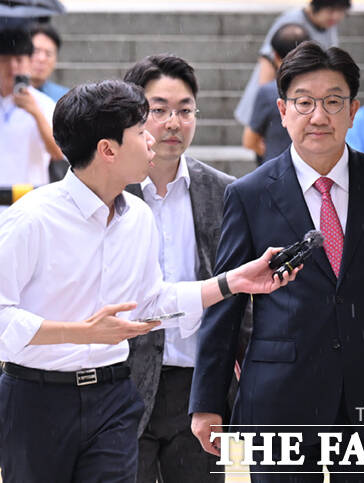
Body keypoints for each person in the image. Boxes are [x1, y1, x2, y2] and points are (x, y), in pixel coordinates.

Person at [0, 79, 297, 482]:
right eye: (141, 132)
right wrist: (82, 333)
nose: (152, 139)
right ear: (108, 150)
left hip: (113, 397)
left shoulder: (137, 217)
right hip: (36, 399)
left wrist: (233, 282)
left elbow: (151, 301)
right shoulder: (31, 218)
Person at [190, 42, 364, 481]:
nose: (318, 116)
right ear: (282, 111)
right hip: (279, 401)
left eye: (333, 102)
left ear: (353, 111)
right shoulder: (249, 194)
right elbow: (227, 303)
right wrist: (207, 402)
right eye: (304, 102)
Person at [122, 54, 236, 483]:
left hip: (197, 385)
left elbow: (236, 293)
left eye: (185, 110)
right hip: (122, 381)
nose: (173, 123)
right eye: (159, 109)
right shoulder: (111, 190)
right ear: (133, 115)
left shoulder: (224, 191)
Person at [234, 0, 350, 130]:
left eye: (341, 11)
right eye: (331, 10)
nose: (336, 16)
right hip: (278, 101)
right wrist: (266, 103)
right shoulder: (292, 22)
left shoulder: (329, 25)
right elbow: (269, 61)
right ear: (317, 6)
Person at [0, 27, 63, 188]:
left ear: (29, 63)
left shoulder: (44, 103)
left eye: (19, 60)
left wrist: (35, 113)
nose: (12, 67)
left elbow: (58, 153)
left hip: (30, 194)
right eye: (5, 60)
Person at [243, 23, 311, 164]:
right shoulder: (321, 89)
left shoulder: (269, 92)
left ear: (275, 55)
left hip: (277, 168)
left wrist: (271, 153)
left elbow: (249, 141)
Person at [30, 23, 69, 103]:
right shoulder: (7, 93)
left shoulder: (64, 98)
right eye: (36, 51)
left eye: (48, 54)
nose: (41, 59)